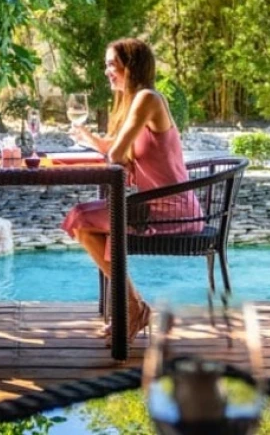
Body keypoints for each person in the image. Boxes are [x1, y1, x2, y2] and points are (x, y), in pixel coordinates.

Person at [62, 38, 203, 344]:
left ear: (131, 66)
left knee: (79, 216)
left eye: (112, 64)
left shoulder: (147, 99)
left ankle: (133, 308)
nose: (107, 72)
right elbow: (120, 152)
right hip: (151, 205)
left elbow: (116, 157)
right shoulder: (135, 101)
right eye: (107, 65)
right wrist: (90, 139)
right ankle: (134, 306)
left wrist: (107, 150)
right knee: (83, 225)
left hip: (170, 209)